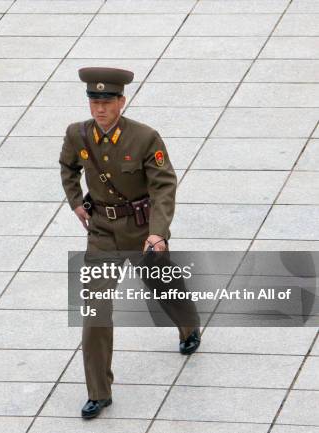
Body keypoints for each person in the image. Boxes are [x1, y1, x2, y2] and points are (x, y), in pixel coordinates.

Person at [59, 67, 201, 419]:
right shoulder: (78, 134)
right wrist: (76, 200)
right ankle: (99, 391)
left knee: (163, 286)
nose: (100, 109)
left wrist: (157, 231)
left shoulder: (144, 138)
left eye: (107, 102)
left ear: (121, 101)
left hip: (141, 229)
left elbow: (163, 186)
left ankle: (189, 325)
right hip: (102, 232)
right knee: (94, 311)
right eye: (94, 102)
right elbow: (67, 167)